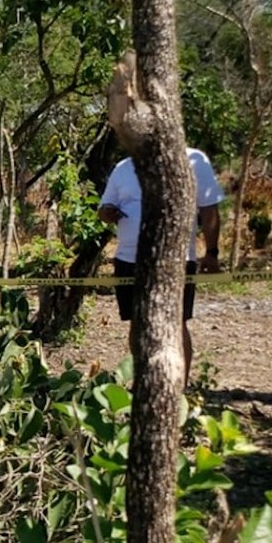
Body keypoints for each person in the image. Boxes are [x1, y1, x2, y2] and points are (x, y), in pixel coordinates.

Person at [98, 147, 224, 380]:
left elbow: (209, 210)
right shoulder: (123, 167)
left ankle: (179, 388)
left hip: (174, 261)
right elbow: (104, 209)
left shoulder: (194, 160)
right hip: (129, 260)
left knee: (176, 324)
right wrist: (108, 212)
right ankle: (143, 383)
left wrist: (212, 252)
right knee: (137, 324)